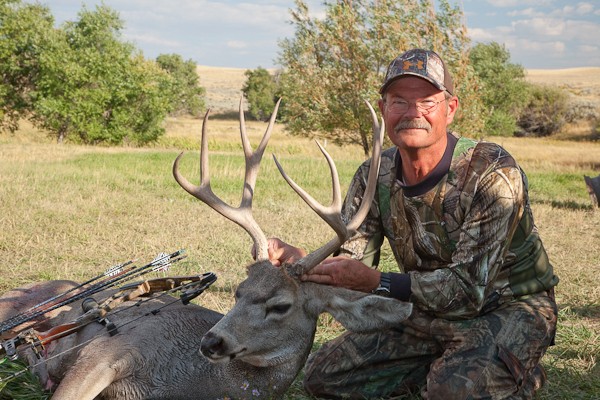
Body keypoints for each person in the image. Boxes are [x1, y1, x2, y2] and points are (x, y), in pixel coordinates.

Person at [266, 48, 559, 399]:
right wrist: (306, 261)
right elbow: (352, 263)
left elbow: (468, 292)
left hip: (509, 307)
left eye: (427, 102)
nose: (413, 113)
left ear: (450, 109)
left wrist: (378, 282)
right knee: (323, 376)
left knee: (453, 391)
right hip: (425, 310)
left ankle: (515, 371)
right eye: (400, 101)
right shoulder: (374, 175)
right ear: (384, 108)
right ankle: (450, 363)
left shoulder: (492, 174)